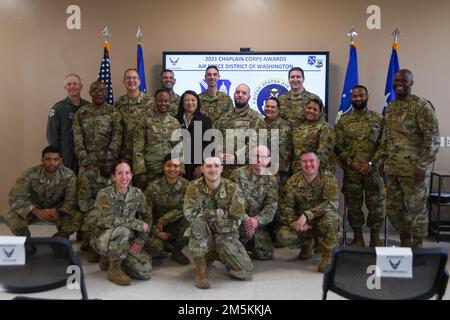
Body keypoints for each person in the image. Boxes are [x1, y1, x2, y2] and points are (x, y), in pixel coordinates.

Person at [374, 69, 440, 248]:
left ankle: (417, 247)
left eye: (403, 81)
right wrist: (381, 159)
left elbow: (432, 139)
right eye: (396, 81)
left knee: (416, 211)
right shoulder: (392, 107)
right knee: (395, 211)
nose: (399, 84)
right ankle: (404, 245)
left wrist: (422, 166)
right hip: (393, 170)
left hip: (414, 172)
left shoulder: (421, 106)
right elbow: (386, 137)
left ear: (411, 83)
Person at [184, 156, 253, 289]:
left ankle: (216, 254)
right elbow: (190, 214)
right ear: (202, 169)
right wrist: (219, 213)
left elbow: (236, 219)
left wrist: (210, 219)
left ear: (222, 168)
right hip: (204, 231)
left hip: (225, 234)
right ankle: (201, 272)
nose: (213, 169)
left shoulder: (233, 188)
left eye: (216, 166)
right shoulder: (194, 187)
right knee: (197, 225)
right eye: (208, 166)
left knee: (245, 272)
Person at [335, 85, 384, 247]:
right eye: (355, 96)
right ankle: (358, 238)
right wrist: (351, 163)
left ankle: (375, 238)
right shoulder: (344, 121)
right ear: (351, 98)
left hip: (373, 171)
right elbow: (338, 147)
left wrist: (372, 163)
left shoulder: (378, 119)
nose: (358, 99)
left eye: (361, 95)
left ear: (367, 97)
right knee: (354, 206)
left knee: (376, 206)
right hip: (352, 172)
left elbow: (384, 145)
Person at [277, 151, 341, 273]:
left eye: (312, 161)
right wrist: (294, 222)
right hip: (301, 224)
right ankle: (307, 243)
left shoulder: (329, 178)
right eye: (304, 161)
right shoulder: (292, 181)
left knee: (332, 220)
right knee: (283, 235)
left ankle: (328, 255)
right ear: (300, 164)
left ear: (318, 163)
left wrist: (306, 215)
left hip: (322, 220)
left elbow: (331, 203)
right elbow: (286, 207)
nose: (308, 164)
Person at [91, 160, 152, 286]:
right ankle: (114, 270)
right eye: (120, 173)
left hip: (127, 238)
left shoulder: (137, 194)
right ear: (113, 176)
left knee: (145, 272)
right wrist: (135, 224)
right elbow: (108, 220)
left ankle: (111, 258)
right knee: (123, 230)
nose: (124, 177)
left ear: (131, 175)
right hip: (103, 238)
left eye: (127, 173)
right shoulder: (104, 194)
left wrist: (140, 241)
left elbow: (147, 218)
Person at [5, 146, 81, 238]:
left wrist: (58, 211)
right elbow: (15, 197)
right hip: (34, 208)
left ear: (60, 161)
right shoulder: (30, 173)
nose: (52, 163)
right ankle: (26, 242)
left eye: (55, 159)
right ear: (42, 160)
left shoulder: (69, 175)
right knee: (11, 217)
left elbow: (71, 200)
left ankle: (59, 240)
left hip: (57, 210)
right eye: (48, 159)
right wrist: (36, 211)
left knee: (78, 217)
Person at [229, 145, 278, 260]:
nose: (259, 160)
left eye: (263, 157)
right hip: (238, 221)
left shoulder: (271, 180)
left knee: (265, 254)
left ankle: (247, 245)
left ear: (269, 160)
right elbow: (232, 201)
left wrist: (256, 221)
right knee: (231, 251)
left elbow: (271, 206)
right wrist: (246, 219)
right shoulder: (237, 174)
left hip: (257, 223)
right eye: (255, 156)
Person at [144, 155, 190, 265]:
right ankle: (164, 246)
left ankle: (176, 251)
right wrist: (156, 231)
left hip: (175, 225)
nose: (172, 169)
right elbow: (145, 213)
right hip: (155, 226)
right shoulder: (153, 187)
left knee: (192, 219)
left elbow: (184, 208)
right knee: (156, 249)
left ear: (180, 168)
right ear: (163, 167)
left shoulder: (187, 186)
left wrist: (164, 219)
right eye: (168, 165)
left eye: (176, 166)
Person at [133, 88, 182, 189]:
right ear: (155, 102)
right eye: (160, 101)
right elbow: (138, 148)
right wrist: (141, 171)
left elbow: (179, 148)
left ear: (170, 102)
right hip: (150, 171)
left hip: (170, 171)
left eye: (166, 101)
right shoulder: (146, 121)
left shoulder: (174, 122)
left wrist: (180, 170)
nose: (163, 103)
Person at [216, 83, 266, 177]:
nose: (240, 95)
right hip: (223, 169)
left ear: (249, 97)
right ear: (234, 95)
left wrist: (236, 157)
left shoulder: (255, 117)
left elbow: (256, 143)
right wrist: (219, 154)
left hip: (244, 171)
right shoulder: (224, 117)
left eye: (244, 93)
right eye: (237, 92)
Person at [73, 81, 123, 174]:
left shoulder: (114, 113)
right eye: (95, 90)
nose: (99, 93)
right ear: (90, 93)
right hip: (86, 166)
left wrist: (107, 161)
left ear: (107, 93)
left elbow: (117, 139)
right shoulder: (81, 113)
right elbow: (78, 140)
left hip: (108, 165)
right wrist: (86, 163)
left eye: (102, 90)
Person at [77, 148, 115, 262]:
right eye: (103, 161)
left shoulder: (122, 175)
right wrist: (104, 208)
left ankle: (109, 250)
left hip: (116, 211)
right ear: (97, 162)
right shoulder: (88, 177)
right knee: (95, 219)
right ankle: (94, 247)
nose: (107, 164)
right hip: (95, 209)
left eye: (110, 161)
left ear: (114, 161)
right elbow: (83, 202)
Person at [47, 73, 89, 175]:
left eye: (75, 84)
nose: (72, 87)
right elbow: (52, 136)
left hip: (86, 157)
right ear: (65, 87)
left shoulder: (88, 107)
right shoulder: (58, 108)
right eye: (69, 84)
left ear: (81, 86)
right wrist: (57, 158)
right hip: (66, 157)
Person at [114, 68, 154, 165]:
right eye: (128, 78)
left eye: (134, 78)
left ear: (139, 81)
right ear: (124, 82)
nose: (131, 80)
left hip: (145, 153)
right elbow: (116, 128)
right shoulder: (119, 102)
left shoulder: (150, 102)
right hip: (125, 154)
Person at [291, 98, 335, 174]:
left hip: (317, 172)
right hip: (298, 173)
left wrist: (308, 168)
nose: (311, 111)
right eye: (309, 108)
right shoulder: (298, 128)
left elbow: (324, 153)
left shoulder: (325, 128)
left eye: (315, 109)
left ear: (320, 112)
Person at [176, 90, 213, 180]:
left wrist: (201, 164)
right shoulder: (175, 120)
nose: (190, 103)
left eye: (193, 100)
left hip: (198, 165)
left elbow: (209, 145)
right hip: (179, 165)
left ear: (197, 102)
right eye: (187, 100)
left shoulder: (205, 120)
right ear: (182, 103)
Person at [264, 96, 292, 185]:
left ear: (278, 110)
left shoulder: (284, 126)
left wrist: (277, 172)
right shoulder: (259, 123)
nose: (269, 109)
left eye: (273, 107)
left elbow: (284, 154)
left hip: (276, 173)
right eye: (267, 106)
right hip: (260, 169)